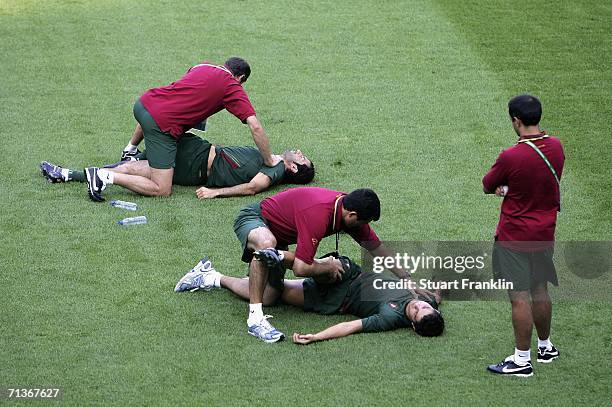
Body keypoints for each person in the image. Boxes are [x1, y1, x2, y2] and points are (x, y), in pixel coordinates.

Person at [230, 187, 433, 343]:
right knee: (266, 246)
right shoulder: (318, 214)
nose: (364, 228)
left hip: (279, 237)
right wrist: (326, 266)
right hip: (256, 219)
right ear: (352, 215)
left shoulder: (348, 210)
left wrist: (406, 278)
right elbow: (301, 268)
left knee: (269, 296)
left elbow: (376, 248)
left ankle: (210, 276)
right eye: (363, 223)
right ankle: (255, 320)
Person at [83, 57, 280, 202]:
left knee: (156, 116)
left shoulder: (202, 65)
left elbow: (191, 91)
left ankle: (130, 149)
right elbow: (255, 126)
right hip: (161, 125)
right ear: (241, 78)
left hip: (144, 104)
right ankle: (103, 176)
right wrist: (269, 159)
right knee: (162, 188)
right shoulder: (232, 86)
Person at [174, 254, 444, 343]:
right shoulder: (429, 304)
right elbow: (437, 294)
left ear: (411, 324)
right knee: (334, 265)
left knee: (271, 295)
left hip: (334, 298)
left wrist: (317, 336)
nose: (417, 305)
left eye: (416, 312)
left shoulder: (389, 317)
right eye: (422, 307)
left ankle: (211, 277)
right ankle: (279, 256)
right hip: (352, 274)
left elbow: (351, 327)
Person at [482, 94, 565, 377]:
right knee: (540, 288)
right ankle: (546, 347)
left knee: (519, 296)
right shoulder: (556, 146)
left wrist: (505, 190)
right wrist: (512, 189)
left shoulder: (511, 155)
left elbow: (487, 184)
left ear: (516, 121)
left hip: (514, 237)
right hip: (544, 234)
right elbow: (540, 184)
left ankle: (521, 361)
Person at [40, 132, 315, 199]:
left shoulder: (276, 168)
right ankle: (77, 174)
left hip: (195, 162)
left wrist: (215, 192)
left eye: (302, 158)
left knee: (132, 167)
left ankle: (71, 175)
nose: (299, 152)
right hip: (195, 152)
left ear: (293, 169)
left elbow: (254, 188)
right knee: (159, 122)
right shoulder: (273, 159)